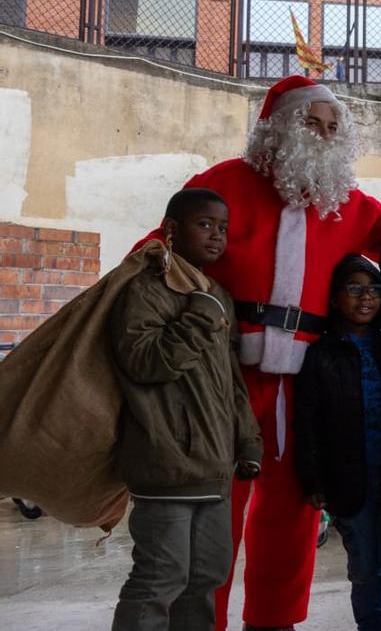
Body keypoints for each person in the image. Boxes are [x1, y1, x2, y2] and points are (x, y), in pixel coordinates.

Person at [134, 75, 381, 631]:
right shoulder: (222, 182)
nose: (323, 136)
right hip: (222, 376)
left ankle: (274, 623)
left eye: (332, 127)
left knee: (295, 512)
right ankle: (202, 622)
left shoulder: (349, 203)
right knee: (212, 511)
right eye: (311, 123)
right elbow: (158, 251)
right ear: (277, 130)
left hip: (306, 384)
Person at [110, 188, 263, 631]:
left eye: (223, 228)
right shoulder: (145, 289)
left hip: (214, 468)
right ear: (172, 229)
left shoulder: (216, 293)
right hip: (166, 464)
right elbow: (146, 363)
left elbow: (229, 380)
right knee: (160, 578)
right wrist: (198, 315)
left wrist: (247, 441)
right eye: (205, 225)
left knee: (206, 578)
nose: (217, 236)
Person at [294, 255, 381, 631]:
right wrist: (314, 481)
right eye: (354, 288)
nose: (366, 297)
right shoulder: (320, 355)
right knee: (364, 566)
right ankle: (372, 624)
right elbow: (307, 422)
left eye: (374, 289)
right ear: (335, 298)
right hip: (348, 480)